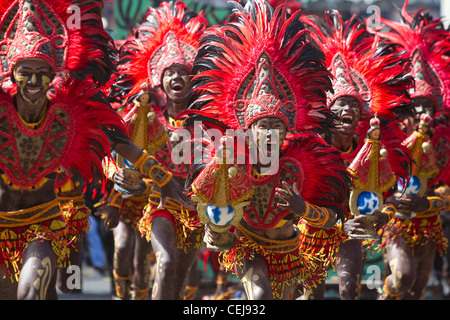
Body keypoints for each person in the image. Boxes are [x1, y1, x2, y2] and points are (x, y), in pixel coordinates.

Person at [0, 0, 194, 300]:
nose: (35, 80)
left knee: (41, 290)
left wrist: (164, 181)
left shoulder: (71, 115)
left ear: (53, 74)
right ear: (12, 73)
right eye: (26, 71)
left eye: (43, 71)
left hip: (45, 226)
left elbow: (119, 144)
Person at [184, 0, 350, 300]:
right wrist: (217, 226)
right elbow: (211, 219)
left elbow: (332, 219)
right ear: (248, 130)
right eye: (263, 126)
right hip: (248, 247)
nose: (270, 133)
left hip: (289, 251)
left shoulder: (303, 163)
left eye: (277, 126)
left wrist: (304, 210)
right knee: (259, 296)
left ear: (287, 130)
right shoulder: (229, 162)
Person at [298, 10, 414, 300]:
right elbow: (295, 204)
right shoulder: (310, 149)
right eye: (340, 105)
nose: (348, 110)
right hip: (312, 228)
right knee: (311, 295)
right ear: (328, 113)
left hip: (352, 228)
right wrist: (334, 222)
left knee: (349, 288)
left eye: (353, 105)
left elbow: (388, 199)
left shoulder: (371, 151)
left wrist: (379, 218)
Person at [111, 1, 208, 300]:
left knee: (177, 280)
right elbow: (112, 147)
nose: (177, 77)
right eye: (170, 73)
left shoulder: (209, 126)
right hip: (159, 206)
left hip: (194, 210)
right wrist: (120, 178)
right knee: (162, 264)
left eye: (183, 72)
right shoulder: (146, 119)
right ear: (159, 81)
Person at [373, 0, 450, 299]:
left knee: (417, 290)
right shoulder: (387, 137)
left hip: (428, 224)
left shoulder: (443, 142)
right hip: (394, 220)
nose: (422, 113)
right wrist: (392, 200)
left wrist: (428, 204)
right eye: (416, 106)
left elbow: (446, 189)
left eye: (427, 106)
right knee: (403, 276)